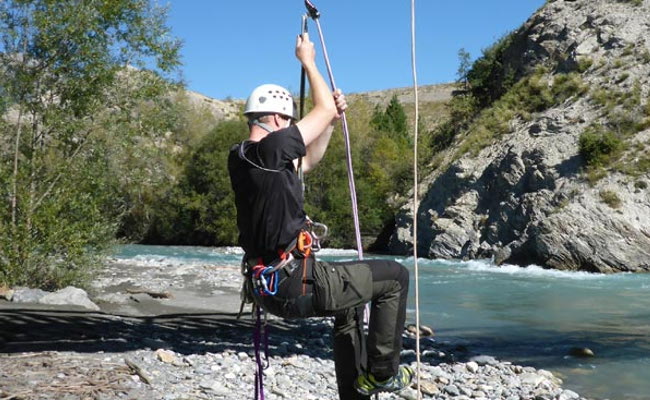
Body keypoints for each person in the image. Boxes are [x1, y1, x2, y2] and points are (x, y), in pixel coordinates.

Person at [228, 32, 413, 400]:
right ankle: (381, 373)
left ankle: (354, 391)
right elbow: (323, 108)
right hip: (295, 281)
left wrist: (328, 122)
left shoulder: (244, 156)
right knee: (394, 276)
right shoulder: (273, 148)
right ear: (280, 118)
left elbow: (308, 161)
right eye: (291, 121)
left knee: (350, 306)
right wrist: (308, 61)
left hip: (271, 287)